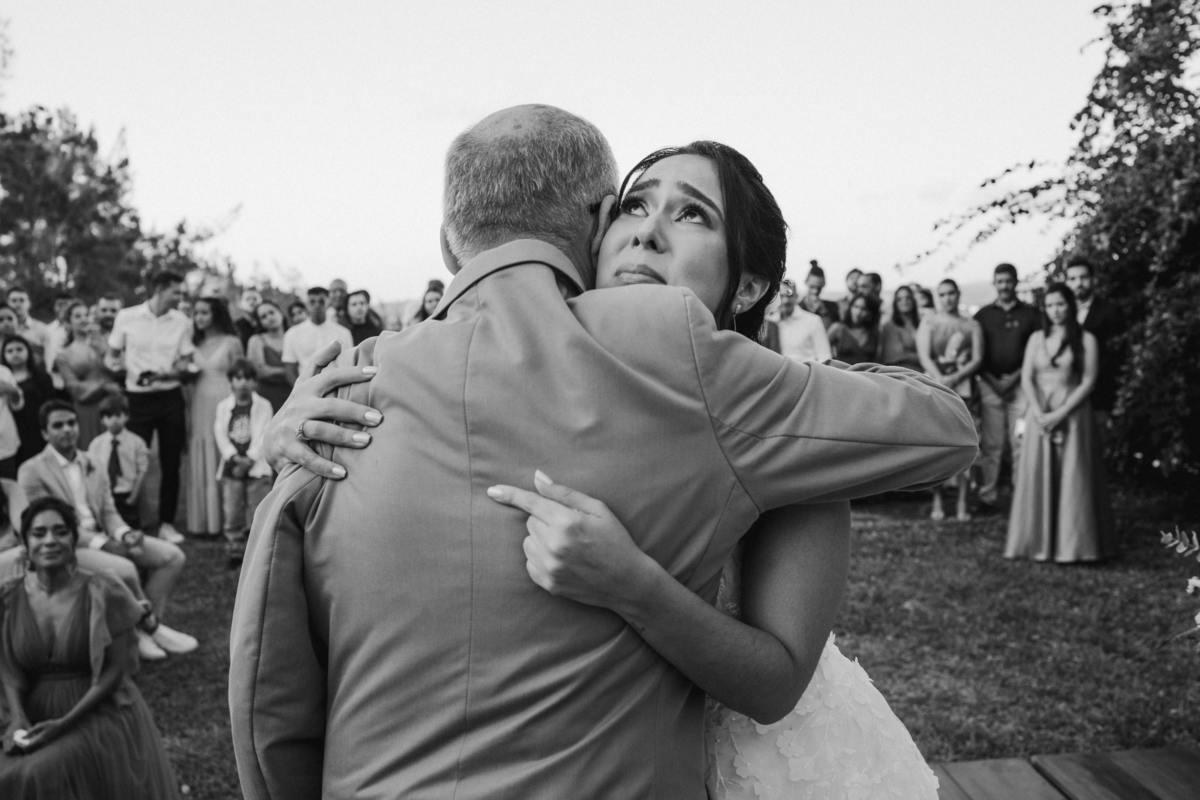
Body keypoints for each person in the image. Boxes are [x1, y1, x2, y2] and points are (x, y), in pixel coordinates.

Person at [231, 106, 974, 799]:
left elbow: (269, 684)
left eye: (691, 215)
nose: (648, 233)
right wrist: (280, 439)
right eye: (634, 205)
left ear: (749, 283)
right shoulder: (357, 381)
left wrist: (632, 583)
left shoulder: (769, 420)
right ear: (594, 231)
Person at [0, 496, 182, 799]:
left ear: (74, 539)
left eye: (60, 531)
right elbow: (8, 667)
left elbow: (116, 670)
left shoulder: (104, 590)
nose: (50, 541)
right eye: (39, 533)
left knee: (35, 773)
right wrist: (18, 716)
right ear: (25, 542)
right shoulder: (9, 598)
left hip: (96, 708)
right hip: (32, 710)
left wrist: (62, 725)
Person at [15, 400, 196, 660]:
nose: (67, 430)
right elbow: (50, 526)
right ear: (45, 433)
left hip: (105, 536)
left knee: (172, 557)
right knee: (126, 569)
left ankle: (146, 630)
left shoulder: (92, 461)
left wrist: (124, 533)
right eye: (58, 425)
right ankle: (149, 628)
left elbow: (109, 511)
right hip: (68, 548)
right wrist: (103, 543)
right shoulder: (32, 471)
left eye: (71, 423)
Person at [1005, 284, 1115, 563]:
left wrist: (1060, 413)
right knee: (1036, 473)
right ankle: (1035, 541)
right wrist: (1040, 413)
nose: (1056, 310)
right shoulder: (1035, 339)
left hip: (1073, 414)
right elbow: (1027, 377)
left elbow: (1089, 381)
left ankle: (1075, 545)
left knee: (1073, 477)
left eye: (1061, 304)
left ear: (1070, 305)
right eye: (1050, 305)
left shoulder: (1086, 339)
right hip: (1039, 413)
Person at [106, 271, 194, 545]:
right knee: (132, 459)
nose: (180, 298)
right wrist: (118, 370)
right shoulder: (126, 317)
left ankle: (166, 523)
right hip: (137, 398)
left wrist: (169, 374)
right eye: (176, 292)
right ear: (159, 289)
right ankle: (132, 521)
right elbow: (112, 356)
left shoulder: (182, 322)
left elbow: (186, 360)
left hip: (169, 397)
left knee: (170, 462)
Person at [974, 263, 1040, 508]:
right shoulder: (983, 315)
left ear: (1016, 282)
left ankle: (1021, 495)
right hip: (990, 386)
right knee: (992, 444)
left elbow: (1036, 352)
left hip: (1022, 387)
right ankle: (987, 495)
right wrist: (994, 382)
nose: (1004, 286)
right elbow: (977, 354)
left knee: (1020, 440)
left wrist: (1015, 379)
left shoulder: (1031, 315)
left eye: (1008, 281)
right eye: (999, 281)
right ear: (994, 284)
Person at [917, 278, 983, 522]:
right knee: (938, 444)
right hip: (934, 385)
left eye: (951, 293)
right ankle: (937, 498)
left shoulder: (970, 324)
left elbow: (977, 358)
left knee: (967, 441)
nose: (947, 298)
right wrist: (940, 378)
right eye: (942, 294)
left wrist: (954, 377)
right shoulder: (929, 322)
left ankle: (963, 499)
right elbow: (925, 356)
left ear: (958, 294)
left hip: (964, 388)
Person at [186, 297, 243, 538]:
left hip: (224, 399)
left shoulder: (232, 342)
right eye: (196, 313)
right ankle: (204, 521)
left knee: (224, 450)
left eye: (204, 313)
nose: (199, 318)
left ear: (216, 315)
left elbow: (241, 374)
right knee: (203, 449)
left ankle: (230, 519)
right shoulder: (191, 342)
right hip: (199, 400)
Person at [213, 360, 273, 566]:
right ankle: (235, 549)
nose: (243, 383)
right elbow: (220, 433)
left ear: (255, 383)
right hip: (232, 467)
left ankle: (256, 550)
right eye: (238, 378)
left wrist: (250, 458)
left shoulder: (263, 406)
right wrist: (233, 457)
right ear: (230, 382)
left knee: (257, 508)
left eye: (248, 378)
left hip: (256, 466)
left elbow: (265, 433)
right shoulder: (223, 406)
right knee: (232, 509)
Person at [1064, 257, 1121, 437]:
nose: (1078, 283)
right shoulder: (1061, 314)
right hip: (1066, 395)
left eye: (1083, 277)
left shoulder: (1110, 311)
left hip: (1100, 398)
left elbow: (1115, 357)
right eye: (1072, 279)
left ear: (1093, 279)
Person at [55, 301, 120, 450]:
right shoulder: (64, 355)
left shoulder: (108, 342)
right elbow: (73, 387)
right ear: (68, 323)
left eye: (87, 315)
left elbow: (119, 369)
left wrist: (103, 349)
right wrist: (103, 386)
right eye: (78, 316)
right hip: (87, 409)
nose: (84, 319)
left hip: (112, 404)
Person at [87, 395, 149, 530]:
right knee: (107, 527)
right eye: (109, 417)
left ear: (126, 416)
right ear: (103, 420)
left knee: (130, 528)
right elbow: (91, 470)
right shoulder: (97, 444)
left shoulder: (136, 442)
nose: (114, 420)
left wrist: (134, 496)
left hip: (126, 493)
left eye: (118, 415)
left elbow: (142, 470)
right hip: (105, 493)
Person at [0, 336, 58, 466]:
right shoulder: (4, 376)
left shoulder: (41, 377)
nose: (15, 354)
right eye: (10, 351)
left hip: (38, 426)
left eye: (19, 349)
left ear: (28, 351)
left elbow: (51, 403)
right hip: (15, 430)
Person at [280, 287, 353, 385]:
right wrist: (299, 390)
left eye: (321, 301)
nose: (317, 305)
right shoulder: (292, 333)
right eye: (312, 302)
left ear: (328, 303)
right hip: (305, 387)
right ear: (306, 304)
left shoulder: (343, 333)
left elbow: (348, 365)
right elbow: (289, 368)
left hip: (336, 387)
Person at [245, 300, 291, 412]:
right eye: (263, 317)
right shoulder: (256, 340)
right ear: (260, 322)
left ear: (280, 312)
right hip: (266, 396)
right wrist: (290, 371)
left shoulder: (294, 336)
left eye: (272, 312)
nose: (269, 318)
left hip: (293, 394)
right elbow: (259, 370)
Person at [775, 278, 831, 363]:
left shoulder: (813, 321)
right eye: (782, 296)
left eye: (789, 295)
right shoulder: (770, 322)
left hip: (808, 374)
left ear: (796, 297)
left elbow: (825, 357)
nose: (785, 300)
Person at [826, 292, 880, 365]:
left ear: (870, 313)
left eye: (864, 309)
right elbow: (822, 353)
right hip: (841, 373)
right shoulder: (838, 328)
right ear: (850, 307)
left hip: (865, 374)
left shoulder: (874, 332)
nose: (858, 312)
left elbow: (878, 360)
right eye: (855, 306)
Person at [878, 284, 922, 370]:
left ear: (913, 300)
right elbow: (895, 356)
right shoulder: (889, 326)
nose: (904, 301)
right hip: (901, 372)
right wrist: (924, 357)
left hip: (923, 370)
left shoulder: (921, 323)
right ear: (895, 303)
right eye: (899, 299)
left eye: (908, 298)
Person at [41, 294, 75, 392]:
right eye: (60, 304)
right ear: (54, 307)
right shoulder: (46, 330)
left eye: (67, 305)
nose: (63, 308)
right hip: (53, 380)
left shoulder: (79, 329)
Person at [4, 289, 48, 365]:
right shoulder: (2, 329)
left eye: (22, 300)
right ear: (7, 303)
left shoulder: (42, 329)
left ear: (29, 303)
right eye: (14, 301)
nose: (18, 304)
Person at [797, 263, 839, 329]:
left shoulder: (832, 307)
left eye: (819, 288)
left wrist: (823, 311)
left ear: (824, 284)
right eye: (812, 287)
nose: (815, 291)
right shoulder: (797, 308)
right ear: (806, 282)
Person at [0, 359, 22, 481]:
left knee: (9, 488)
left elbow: (17, 405)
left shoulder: (3, 372)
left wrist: (11, 390)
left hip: (5, 445)